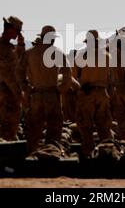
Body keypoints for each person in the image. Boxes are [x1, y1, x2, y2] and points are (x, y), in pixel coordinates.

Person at [18, 25, 72, 153]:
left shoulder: (30, 53)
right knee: (54, 128)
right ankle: (51, 154)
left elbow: (19, 72)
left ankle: (32, 155)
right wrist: (61, 89)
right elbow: (67, 72)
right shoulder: (57, 53)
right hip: (52, 94)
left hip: (36, 94)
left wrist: (26, 88)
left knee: (34, 128)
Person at [75, 30, 113, 157]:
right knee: (104, 126)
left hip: (87, 94)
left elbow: (74, 76)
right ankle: (107, 153)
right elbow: (110, 78)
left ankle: (88, 155)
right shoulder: (107, 56)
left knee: (86, 126)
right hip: (102, 93)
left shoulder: (81, 57)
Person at [0, 16, 25, 141]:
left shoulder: (7, 46)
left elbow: (19, 61)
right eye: (17, 31)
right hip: (7, 90)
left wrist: (20, 44)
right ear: (10, 29)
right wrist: (18, 93)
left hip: (7, 89)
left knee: (11, 125)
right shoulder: (2, 48)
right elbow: (8, 75)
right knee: (8, 127)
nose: (18, 34)